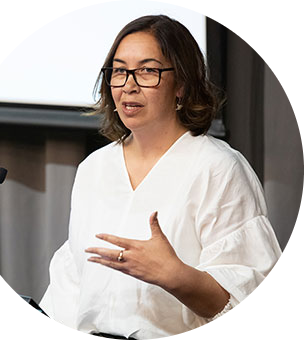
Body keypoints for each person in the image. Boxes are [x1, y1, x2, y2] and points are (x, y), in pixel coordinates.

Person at [39, 14, 282, 340]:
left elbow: (257, 308)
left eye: (148, 71)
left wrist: (178, 277)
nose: (129, 85)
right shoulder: (94, 169)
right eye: (119, 71)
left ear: (181, 84)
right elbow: (69, 288)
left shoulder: (218, 168)